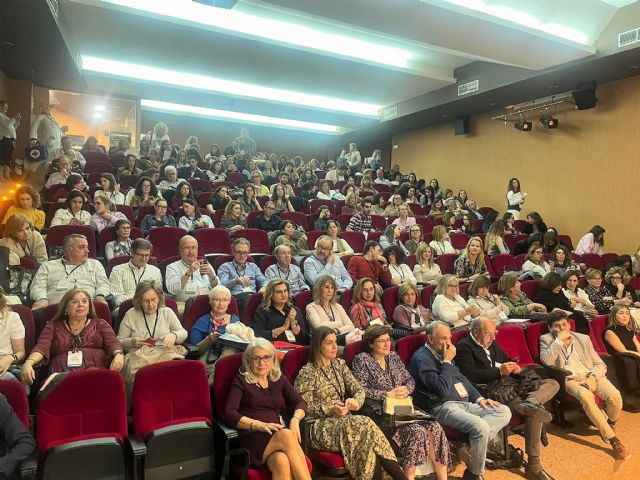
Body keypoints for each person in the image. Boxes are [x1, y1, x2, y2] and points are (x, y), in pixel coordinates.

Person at [295, 327, 407, 480]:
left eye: (335, 342)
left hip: (345, 421)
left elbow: (359, 390)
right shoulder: (307, 373)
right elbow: (303, 407)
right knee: (365, 424)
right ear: (318, 345)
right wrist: (330, 409)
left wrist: (355, 401)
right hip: (318, 426)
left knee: (367, 440)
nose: (335, 347)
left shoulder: (339, 365)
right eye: (329, 343)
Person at [456, 318, 558, 480]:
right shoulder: (464, 347)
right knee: (534, 413)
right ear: (475, 332)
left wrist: (514, 368)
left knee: (553, 383)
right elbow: (469, 375)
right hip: (494, 392)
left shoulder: (492, 343)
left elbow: (506, 360)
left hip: (510, 385)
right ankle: (534, 466)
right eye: (489, 334)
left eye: (495, 333)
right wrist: (499, 372)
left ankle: (531, 402)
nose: (493, 337)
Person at [408, 321, 512, 480]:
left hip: (464, 403)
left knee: (503, 411)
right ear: (430, 339)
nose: (448, 343)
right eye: (443, 339)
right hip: (442, 406)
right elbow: (441, 389)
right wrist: (447, 362)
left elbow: (461, 379)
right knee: (481, 427)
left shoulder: (443, 353)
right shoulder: (422, 358)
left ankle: (467, 446)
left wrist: (479, 398)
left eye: (449, 338)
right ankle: (474, 474)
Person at [352, 324, 451, 480]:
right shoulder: (362, 360)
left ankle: (442, 478)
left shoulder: (393, 357)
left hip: (403, 408)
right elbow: (359, 390)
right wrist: (386, 394)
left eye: (388, 340)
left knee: (435, 427)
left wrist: (406, 389)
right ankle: (408, 478)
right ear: (371, 343)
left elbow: (409, 379)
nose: (387, 344)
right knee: (416, 431)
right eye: (382, 341)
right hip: (381, 413)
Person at [540, 312, 629, 460]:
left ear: (569, 325)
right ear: (550, 328)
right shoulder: (546, 339)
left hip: (591, 375)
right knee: (587, 397)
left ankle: (610, 422)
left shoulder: (583, 338)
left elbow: (600, 364)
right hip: (570, 379)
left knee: (615, 396)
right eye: (557, 326)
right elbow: (547, 361)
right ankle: (613, 440)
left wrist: (593, 377)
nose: (562, 328)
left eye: (564, 324)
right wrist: (559, 342)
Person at [223, 338, 310, 478]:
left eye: (266, 357)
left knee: (281, 461)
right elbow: (229, 414)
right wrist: (258, 425)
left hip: (274, 435)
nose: (262, 363)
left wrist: (295, 419)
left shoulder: (278, 379)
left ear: (273, 358)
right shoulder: (241, 381)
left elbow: (300, 402)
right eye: (256, 358)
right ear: (249, 360)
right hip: (251, 438)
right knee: (286, 435)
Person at [21, 289, 123, 384]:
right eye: (75, 302)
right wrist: (29, 362)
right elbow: (41, 348)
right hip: (62, 375)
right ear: (65, 308)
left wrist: (119, 354)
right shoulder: (52, 326)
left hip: (96, 373)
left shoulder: (100, 324)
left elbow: (113, 343)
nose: (80, 305)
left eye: (84, 301)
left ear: (89, 307)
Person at [30, 234, 109, 310]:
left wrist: (100, 295)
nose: (87, 251)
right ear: (68, 249)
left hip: (88, 307)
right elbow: (38, 286)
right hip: (57, 307)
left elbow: (103, 284)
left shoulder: (95, 264)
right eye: (82, 247)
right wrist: (41, 299)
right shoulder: (48, 266)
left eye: (87, 247)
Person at [117, 281, 187, 351]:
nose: (150, 305)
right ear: (140, 301)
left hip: (165, 353)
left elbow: (183, 332)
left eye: (153, 299)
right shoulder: (131, 314)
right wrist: (131, 342)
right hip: (139, 355)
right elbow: (117, 342)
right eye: (146, 301)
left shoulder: (167, 312)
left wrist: (174, 335)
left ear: (159, 298)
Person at [190, 285, 242, 374]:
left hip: (230, 355)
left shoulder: (235, 320)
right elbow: (195, 350)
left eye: (224, 300)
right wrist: (209, 339)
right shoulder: (201, 322)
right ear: (210, 301)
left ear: (229, 302)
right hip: (209, 357)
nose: (221, 304)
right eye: (217, 300)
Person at [217, 238, 267, 313]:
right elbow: (221, 286)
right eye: (239, 252)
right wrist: (236, 281)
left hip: (253, 297)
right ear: (233, 252)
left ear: (248, 253)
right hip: (236, 299)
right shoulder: (225, 267)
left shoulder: (253, 266)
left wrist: (264, 288)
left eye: (245, 252)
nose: (242, 255)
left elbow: (265, 281)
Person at [109, 239, 162, 309]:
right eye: (140, 255)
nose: (144, 258)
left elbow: (159, 296)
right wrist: (141, 297)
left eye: (147, 255)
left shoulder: (155, 271)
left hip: (150, 307)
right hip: (126, 308)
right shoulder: (118, 270)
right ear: (132, 253)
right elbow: (116, 300)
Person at [166, 235, 219, 303]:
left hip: (208, 303)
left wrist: (211, 275)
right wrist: (188, 273)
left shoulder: (205, 264)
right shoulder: (172, 267)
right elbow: (173, 290)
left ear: (197, 249)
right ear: (180, 250)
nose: (191, 252)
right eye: (187, 248)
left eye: (193, 248)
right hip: (184, 304)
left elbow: (217, 288)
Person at [602, 304, 640, 398]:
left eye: (627, 313)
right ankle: (634, 390)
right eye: (621, 313)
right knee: (631, 361)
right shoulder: (609, 332)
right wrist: (638, 355)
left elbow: (638, 346)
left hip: (634, 355)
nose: (625, 316)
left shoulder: (630, 330)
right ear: (614, 315)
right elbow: (622, 350)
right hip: (622, 357)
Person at [254, 279, 307, 344]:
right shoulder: (262, 311)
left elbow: (304, 339)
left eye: (285, 291)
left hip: (295, 346)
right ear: (271, 294)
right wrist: (283, 328)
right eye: (279, 292)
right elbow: (258, 334)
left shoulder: (295, 310)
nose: (283, 295)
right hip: (273, 347)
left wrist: (294, 326)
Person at [305, 275, 354, 343]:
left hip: (340, 339)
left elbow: (351, 326)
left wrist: (336, 330)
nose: (330, 291)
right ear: (319, 289)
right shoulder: (311, 307)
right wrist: (340, 324)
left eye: (332, 288)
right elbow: (319, 327)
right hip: (322, 342)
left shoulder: (338, 306)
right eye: (327, 287)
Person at [0, 99, 20, 181]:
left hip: (10, 139)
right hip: (5, 138)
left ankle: (6, 175)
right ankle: (0, 175)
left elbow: (13, 128)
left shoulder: (6, 117)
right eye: (5, 106)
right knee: (3, 156)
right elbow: (7, 125)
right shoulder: (0, 116)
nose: (7, 108)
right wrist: (14, 118)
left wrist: (17, 121)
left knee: (8, 157)